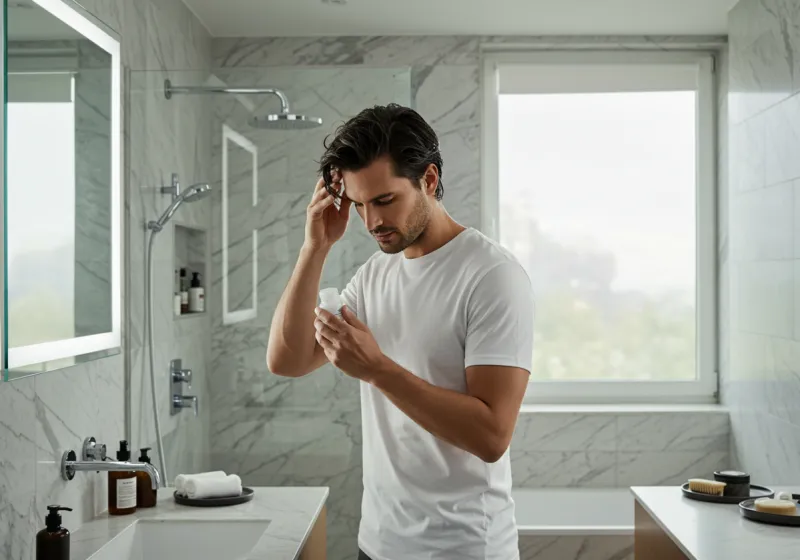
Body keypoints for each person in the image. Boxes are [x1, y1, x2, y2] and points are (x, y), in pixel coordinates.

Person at [266, 103, 534, 560]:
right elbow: (287, 361)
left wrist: (377, 370)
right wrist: (315, 247)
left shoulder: (491, 275)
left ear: (428, 180)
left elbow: (491, 436)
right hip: (379, 543)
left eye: (385, 201)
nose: (371, 223)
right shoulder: (374, 275)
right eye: (359, 204)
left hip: (462, 549)